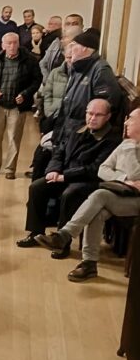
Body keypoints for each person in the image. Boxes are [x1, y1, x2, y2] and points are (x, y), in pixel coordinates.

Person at [37, 107, 140, 281]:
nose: (126, 122)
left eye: (130, 119)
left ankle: (65, 236)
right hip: (118, 193)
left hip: (135, 200)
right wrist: (124, 179)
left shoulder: (128, 146)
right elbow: (103, 169)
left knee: (99, 195)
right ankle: (88, 263)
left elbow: (136, 175)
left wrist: (131, 148)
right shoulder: (125, 144)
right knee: (98, 211)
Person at [17, 99, 120, 251]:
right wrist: (53, 170)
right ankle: (36, 233)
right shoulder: (78, 129)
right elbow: (59, 151)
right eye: (90, 113)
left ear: (108, 116)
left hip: (88, 181)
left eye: (98, 115)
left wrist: (64, 176)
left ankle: (62, 242)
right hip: (64, 175)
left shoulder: (112, 139)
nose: (92, 118)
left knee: (69, 194)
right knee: (37, 187)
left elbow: (94, 169)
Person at [0, 32, 42, 178]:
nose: (12, 46)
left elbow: (37, 80)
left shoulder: (30, 60)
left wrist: (25, 94)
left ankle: (10, 169)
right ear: (3, 45)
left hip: (17, 106)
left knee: (14, 138)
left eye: (15, 42)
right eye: (9, 43)